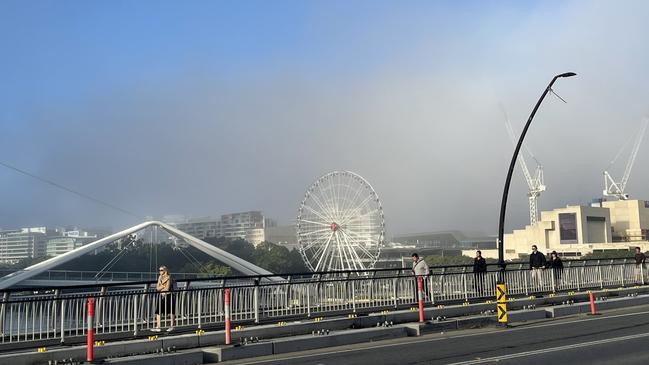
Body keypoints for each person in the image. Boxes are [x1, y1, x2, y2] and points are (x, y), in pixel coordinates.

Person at [153, 266, 175, 332]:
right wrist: (162, 286)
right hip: (161, 296)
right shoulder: (160, 277)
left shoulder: (169, 277)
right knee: (158, 311)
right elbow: (157, 288)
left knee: (171, 311)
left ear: (165, 270)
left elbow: (167, 288)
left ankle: (172, 326)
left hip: (169, 296)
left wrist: (161, 287)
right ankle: (158, 327)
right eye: (159, 270)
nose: (160, 271)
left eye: (161, 270)